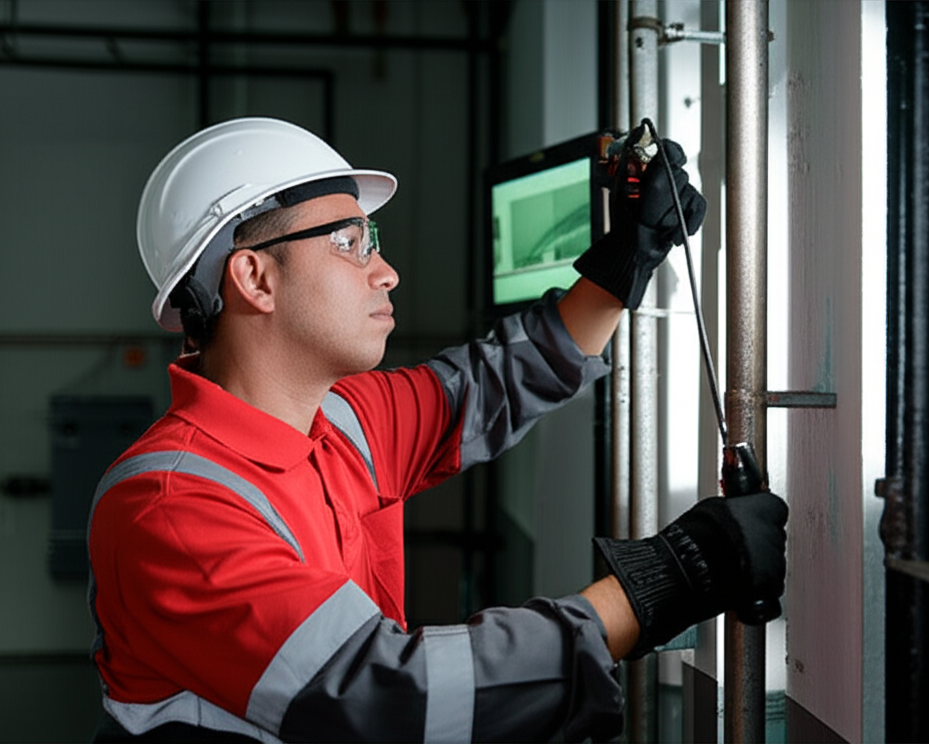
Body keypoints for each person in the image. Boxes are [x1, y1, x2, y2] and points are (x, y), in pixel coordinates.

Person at [87, 117, 787, 743]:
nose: (385, 272)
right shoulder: (173, 509)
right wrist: (671, 577)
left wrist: (628, 256)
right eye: (350, 243)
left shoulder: (340, 421)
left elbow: (493, 383)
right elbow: (386, 695)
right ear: (254, 279)